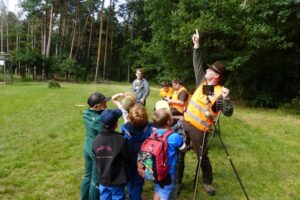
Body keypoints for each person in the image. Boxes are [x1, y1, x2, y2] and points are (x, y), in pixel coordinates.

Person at [182, 29, 234, 195]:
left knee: (202, 157)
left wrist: (226, 99)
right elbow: (197, 64)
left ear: (216, 75)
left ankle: (207, 182)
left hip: (199, 130)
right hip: (185, 123)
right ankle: (176, 180)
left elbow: (228, 112)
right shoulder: (205, 85)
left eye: (210, 70)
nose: (206, 71)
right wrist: (196, 45)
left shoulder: (217, 91)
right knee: (178, 151)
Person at [92, 109, 130, 200]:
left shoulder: (96, 140)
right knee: (118, 197)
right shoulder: (120, 140)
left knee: (104, 196)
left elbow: (95, 155)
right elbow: (127, 157)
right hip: (117, 179)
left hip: (103, 178)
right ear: (116, 124)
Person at [80, 92, 110, 200]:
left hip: (87, 146)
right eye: (104, 103)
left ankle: (83, 198)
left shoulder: (86, 113)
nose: (106, 106)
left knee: (87, 175)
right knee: (95, 179)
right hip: (96, 150)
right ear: (96, 106)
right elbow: (106, 127)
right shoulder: (98, 120)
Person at [120, 103, 153, 200]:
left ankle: (132, 196)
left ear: (130, 117)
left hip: (128, 158)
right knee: (138, 183)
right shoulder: (150, 128)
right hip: (143, 159)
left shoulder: (125, 127)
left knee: (130, 181)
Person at [152, 109, 187, 200]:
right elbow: (184, 149)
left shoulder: (153, 133)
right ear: (168, 121)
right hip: (169, 171)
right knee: (167, 193)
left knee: (157, 190)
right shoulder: (175, 136)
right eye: (171, 116)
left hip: (155, 169)